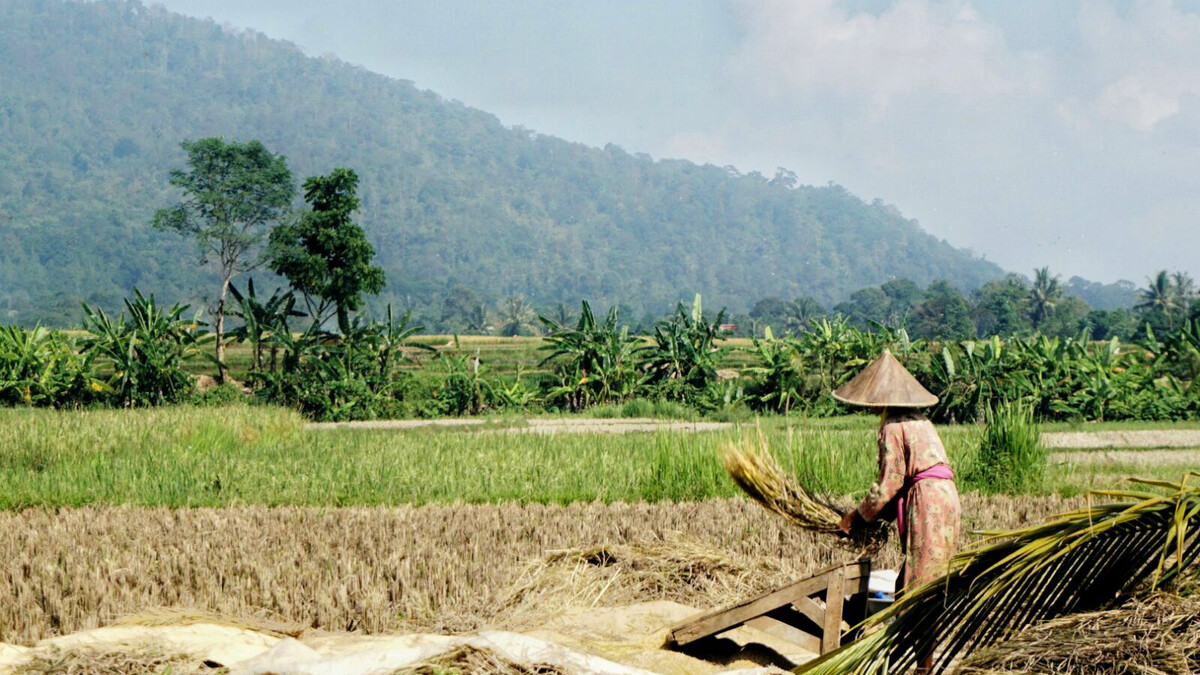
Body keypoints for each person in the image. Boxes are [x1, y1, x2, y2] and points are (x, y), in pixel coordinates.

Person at [833, 349, 961, 672]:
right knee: (913, 583)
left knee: (919, 588)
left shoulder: (892, 425)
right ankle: (911, 660)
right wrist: (879, 517)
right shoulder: (921, 421)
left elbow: (889, 483)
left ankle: (923, 666)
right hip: (946, 500)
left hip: (928, 502)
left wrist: (856, 516)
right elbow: (905, 479)